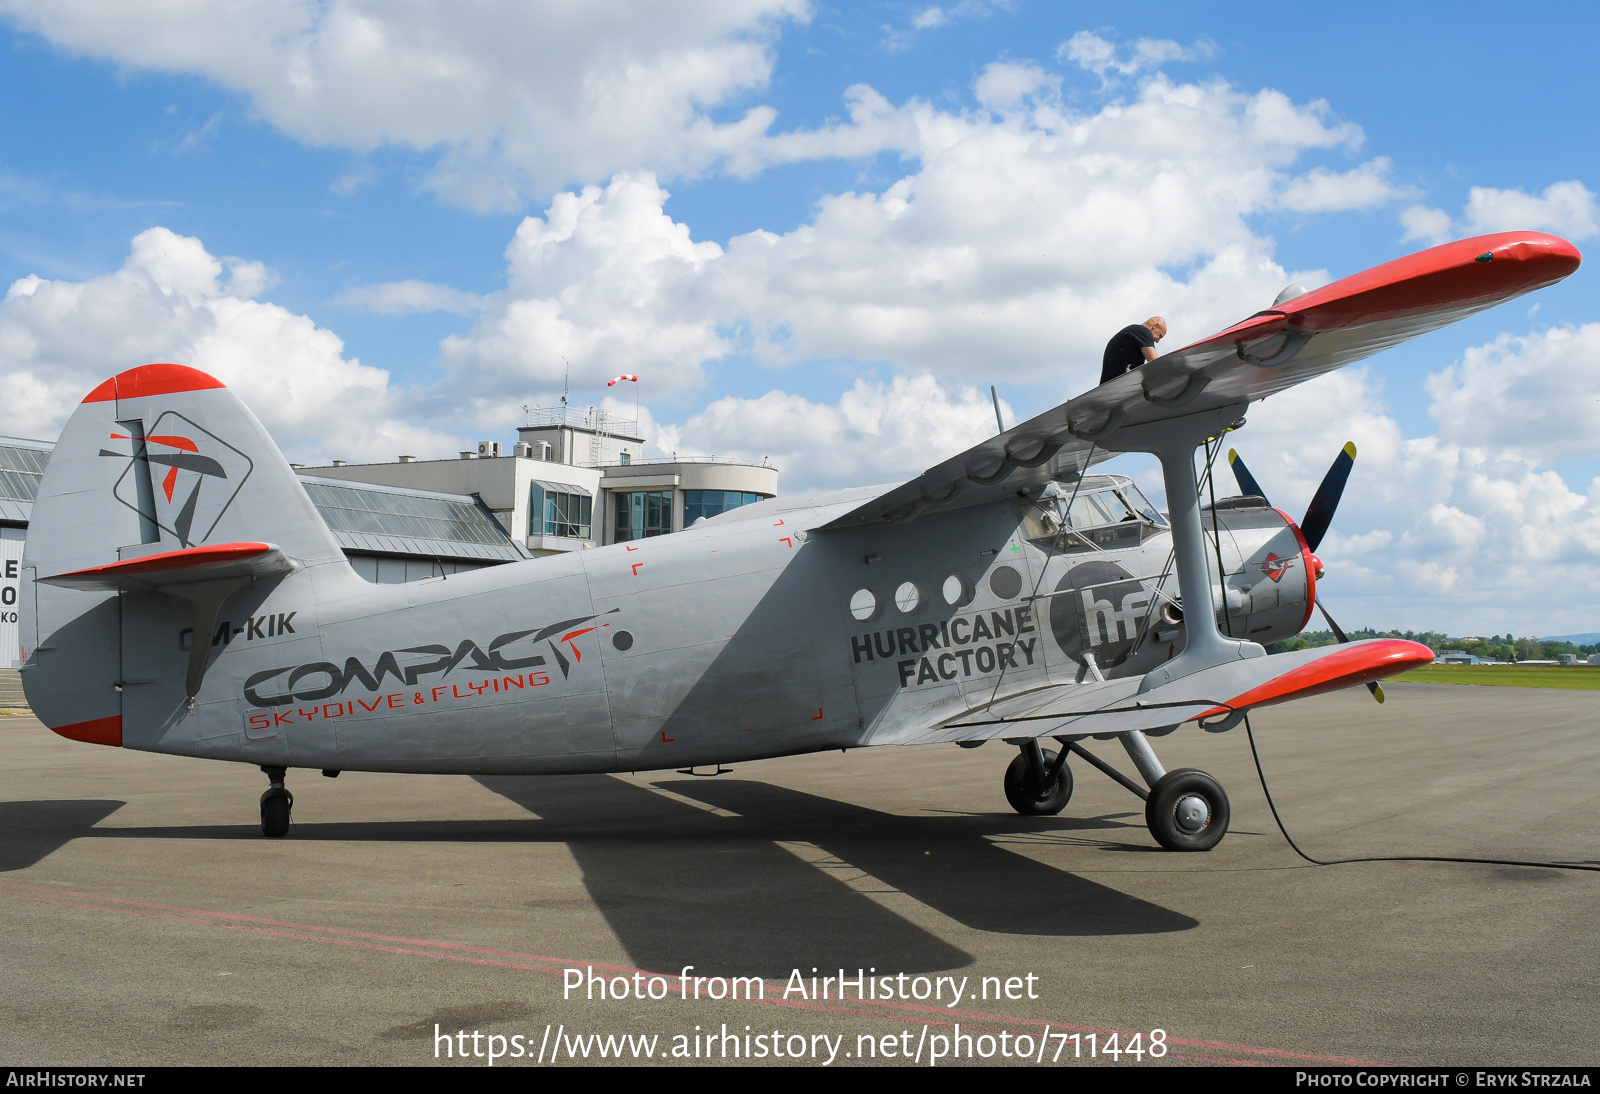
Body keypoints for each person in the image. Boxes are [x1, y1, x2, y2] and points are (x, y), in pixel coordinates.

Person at [1100, 316, 1167, 385]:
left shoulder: (1132, 331)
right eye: (1160, 335)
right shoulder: (1143, 331)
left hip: (1107, 385)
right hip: (1122, 383)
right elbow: (1155, 363)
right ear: (1155, 326)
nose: (1157, 341)